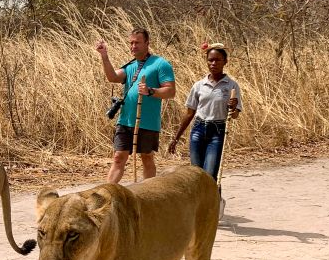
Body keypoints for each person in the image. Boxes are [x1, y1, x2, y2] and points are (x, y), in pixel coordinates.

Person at [96, 28, 176, 182]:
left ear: (147, 43)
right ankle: (107, 195)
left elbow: (170, 92)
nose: (133, 46)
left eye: (137, 43)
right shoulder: (131, 65)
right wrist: (104, 56)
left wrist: (150, 91)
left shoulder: (161, 64)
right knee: (119, 157)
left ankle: (148, 193)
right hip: (125, 120)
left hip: (148, 121)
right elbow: (112, 77)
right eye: (131, 43)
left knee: (146, 157)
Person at [168, 43, 242, 180]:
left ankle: (216, 201)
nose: (213, 63)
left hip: (218, 132)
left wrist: (233, 107)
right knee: (197, 176)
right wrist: (176, 138)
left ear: (225, 61)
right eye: (210, 60)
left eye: (218, 60)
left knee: (210, 176)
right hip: (198, 130)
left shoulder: (232, 86)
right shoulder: (199, 86)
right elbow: (189, 113)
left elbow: (235, 115)